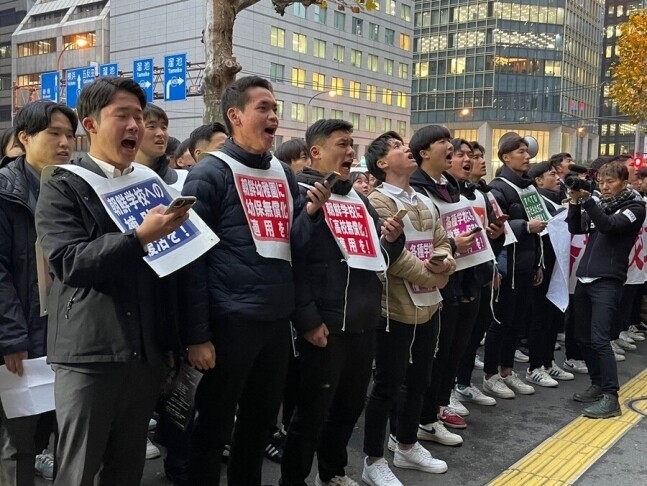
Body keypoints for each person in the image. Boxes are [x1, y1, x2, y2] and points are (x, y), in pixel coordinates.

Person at [35, 77, 201, 486]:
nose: (134, 126)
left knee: (127, 468)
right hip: (88, 353)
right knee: (78, 468)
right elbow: (69, 261)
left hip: (143, 354)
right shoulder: (63, 184)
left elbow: (174, 270)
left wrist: (174, 343)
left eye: (138, 117)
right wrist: (140, 237)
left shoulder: (149, 184)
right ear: (90, 125)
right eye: (121, 116)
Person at [182, 76, 329, 486]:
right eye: (263, 107)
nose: (273, 116)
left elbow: (294, 246)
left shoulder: (283, 172)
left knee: (258, 424)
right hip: (228, 322)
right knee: (212, 427)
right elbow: (190, 260)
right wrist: (197, 334)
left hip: (275, 321)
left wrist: (312, 216)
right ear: (235, 116)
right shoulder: (210, 172)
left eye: (275, 108)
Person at [280, 119, 404, 486]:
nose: (351, 152)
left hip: (364, 322)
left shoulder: (359, 200)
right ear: (316, 152)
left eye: (353, 145)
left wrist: (393, 241)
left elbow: (376, 257)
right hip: (324, 325)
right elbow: (292, 260)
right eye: (342, 144)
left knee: (349, 408)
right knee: (310, 413)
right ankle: (294, 479)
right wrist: (308, 319)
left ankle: (332, 472)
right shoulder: (299, 194)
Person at [362, 131, 455, 486]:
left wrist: (444, 262)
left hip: (430, 305)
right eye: (399, 148)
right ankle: (373, 458)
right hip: (394, 309)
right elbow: (393, 257)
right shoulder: (377, 201)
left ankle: (407, 443)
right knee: (387, 384)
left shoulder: (424, 199)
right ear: (383, 163)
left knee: (420, 379)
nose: (408, 150)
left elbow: (442, 240)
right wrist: (435, 278)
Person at [0, 101, 77, 485]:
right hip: (22, 333)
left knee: (65, 431)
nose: (65, 143)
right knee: (19, 438)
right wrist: (11, 336)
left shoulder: (75, 185)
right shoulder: (5, 192)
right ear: (24, 138)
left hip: (68, 332)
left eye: (70, 135)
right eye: (54, 133)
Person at [568, 161, 645, 418]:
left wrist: (589, 200)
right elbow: (576, 228)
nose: (604, 186)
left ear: (624, 182)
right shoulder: (601, 206)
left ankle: (611, 397)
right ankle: (597, 383)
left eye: (610, 181)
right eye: (601, 182)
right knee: (583, 337)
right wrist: (574, 202)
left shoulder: (635, 208)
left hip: (608, 280)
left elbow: (610, 226)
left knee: (600, 339)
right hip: (585, 278)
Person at [482, 135, 544, 399]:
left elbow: (541, 226)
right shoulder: (499, 189)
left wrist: (538, 262)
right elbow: (495, 229)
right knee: (501, 322)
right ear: (506, 157)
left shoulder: (529, 188)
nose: (527, 156)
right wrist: (524, 227)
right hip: (508, 265)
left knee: (518, 322)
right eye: (521, 152)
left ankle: (507, 370)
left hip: (527, 264)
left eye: (527, 152)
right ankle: (490, 375)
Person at [526, 162, 574, 385]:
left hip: (559, 264)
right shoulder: (534, 200)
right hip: (542, 266)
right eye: (551, 174)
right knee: (540, 317)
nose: (558, 178)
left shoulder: (560, 199)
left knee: (555, 315)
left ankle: (548, 362)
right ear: (538, 180)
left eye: (557, 174)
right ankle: (534, 366)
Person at [135, 104, 180, 186]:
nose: (161, 133)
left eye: (164, 127)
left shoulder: (182, 179)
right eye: (152, 126)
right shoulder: (115, 179)